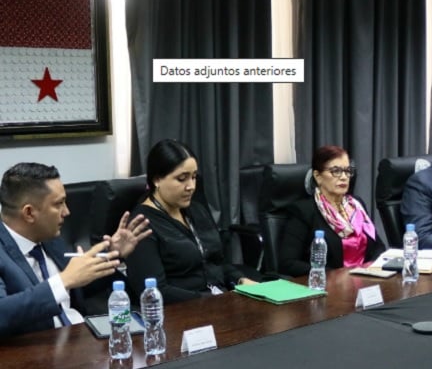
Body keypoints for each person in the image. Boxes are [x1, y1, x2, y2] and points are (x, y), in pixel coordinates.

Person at [0, 162, 150, 337]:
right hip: (38, 353)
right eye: (59, 204)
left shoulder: (50, 238)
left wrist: (112, 255)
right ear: (29, 213)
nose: (67, 212)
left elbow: (77, 287)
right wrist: (63, 280)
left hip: (81, 337)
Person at [125, 139, 256, 304]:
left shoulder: (196, 210)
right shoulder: (141, 225)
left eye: (194, 177)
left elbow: (215, 261)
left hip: (220, 299)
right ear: (157, 179)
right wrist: (209, 300)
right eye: (182, 179)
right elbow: (154, 291)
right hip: (184, 311)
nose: (191, 186)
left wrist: (240, 280)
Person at [277, 145, 386, 276]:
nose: (344, 177)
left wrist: (372, 269)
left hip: (367, 281)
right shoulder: (304, 211)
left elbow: (378, 247)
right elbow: (288, 263)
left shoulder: (357, 205)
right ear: (318, 176)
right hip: (330, 285)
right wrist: (335, 275)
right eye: (336, 171)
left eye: (347, 171)